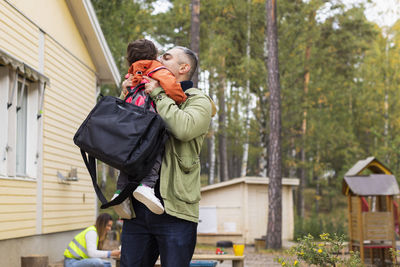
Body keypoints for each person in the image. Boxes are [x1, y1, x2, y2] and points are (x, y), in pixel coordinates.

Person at [120, 46, 216, 267]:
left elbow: (183, 128)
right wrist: (125, 95)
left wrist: (158, 93)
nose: (158, 59)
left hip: (177, 211)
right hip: (138, 207)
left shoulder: (198, 101)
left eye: (167, 57)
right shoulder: (144, 91)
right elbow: (122, 134)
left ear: (184, 68)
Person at [112, 39, 188, 218]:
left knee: (128, 158)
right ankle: (146, 187)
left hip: (131, 120)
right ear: (154, 55)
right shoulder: (157, 69)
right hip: (149, 119)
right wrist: (181, 99)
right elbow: (171, 87)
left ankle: (120, 193)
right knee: (155, 152)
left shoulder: (131, 73)